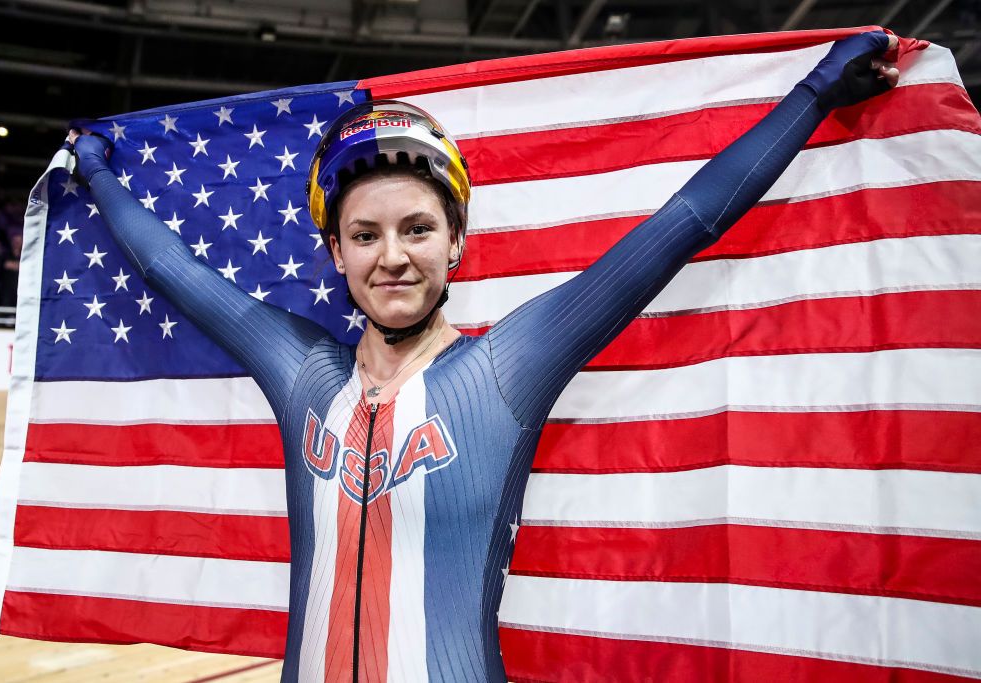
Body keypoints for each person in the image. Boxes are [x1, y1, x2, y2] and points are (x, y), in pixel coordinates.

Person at [70, 30, 899, 682]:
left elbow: (683, 223)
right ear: (334, 253)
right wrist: (97, 173)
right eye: (365, 235)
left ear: (457, 242)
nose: (391, 255)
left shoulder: (507, 367)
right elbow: (170, 269)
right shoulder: (300, 370)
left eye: (417, 228)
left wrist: (817, 95)